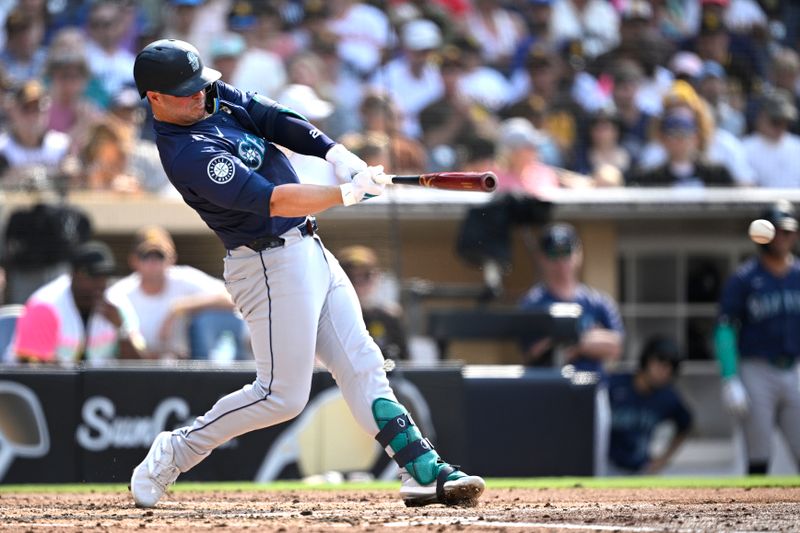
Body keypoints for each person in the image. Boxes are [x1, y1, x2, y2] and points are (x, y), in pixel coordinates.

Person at [129, 39, 484, 508]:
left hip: (309, 248)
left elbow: (276, 119)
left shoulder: (210, 97)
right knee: (281, 396)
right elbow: (274, 200)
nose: (200, 95)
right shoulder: (185, 154)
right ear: (154, 98)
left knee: (363, 362)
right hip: (266, 263)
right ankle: (174, 451)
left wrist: (337, 153)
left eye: (200, 85)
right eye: (186, 91)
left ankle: (420, 467)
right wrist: (345, 194)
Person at [519, 222, 624, 475]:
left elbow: (615, 344)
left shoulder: (597, 302)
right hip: (546, 393)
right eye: (554, 255)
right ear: (542, 258)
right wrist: (588, 339)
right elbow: (532, 349)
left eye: (567, 252)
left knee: (592, 462)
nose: (561, 262)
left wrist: (574, 340)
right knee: (547, 463)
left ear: (578, 254)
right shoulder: (534, 303)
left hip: (592, 390)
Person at [715, 200, 800, 474]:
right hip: (757, 370)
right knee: (759, 454)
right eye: (779, 231)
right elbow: (725, 328)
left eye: (789, 232)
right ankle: (752, 517)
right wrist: (730, 378)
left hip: (796, 369)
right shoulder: (745, 278)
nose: (785, 238)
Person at [107, 226, 244, 361]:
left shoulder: (183, 278)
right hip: (134, 368)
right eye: (146, 256)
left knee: (210, 319)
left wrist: (179, 307)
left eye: (159, 256)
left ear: (172, 258)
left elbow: (234, 297)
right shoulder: (120, 293)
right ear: (134, 260)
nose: (153, 262)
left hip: (180, 368)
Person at [7, 240, 143, 364]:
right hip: (52, 388)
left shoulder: (117, 304)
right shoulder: (45, 304)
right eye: (93, 275)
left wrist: (121, 329)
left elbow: (138, 366)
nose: (100, 283)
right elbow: (29, 365)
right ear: (73, 274)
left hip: (102, 388)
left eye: (104, 276)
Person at [608, 336, 693, 475]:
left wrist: (662, 460)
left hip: (641, 469)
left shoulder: (667, 397)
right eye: (660, 362)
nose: (664, 371)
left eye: (670, 367)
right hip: (606, 466)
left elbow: (686, 425)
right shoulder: (614, 385)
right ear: (646, 360)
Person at [338, 245, 409, 361]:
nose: (359, 281)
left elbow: (401, 362)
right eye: (351, 276)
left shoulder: (388, 318)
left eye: (366, 275)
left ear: (376, 276)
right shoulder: (327, 316)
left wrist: (380, 371)